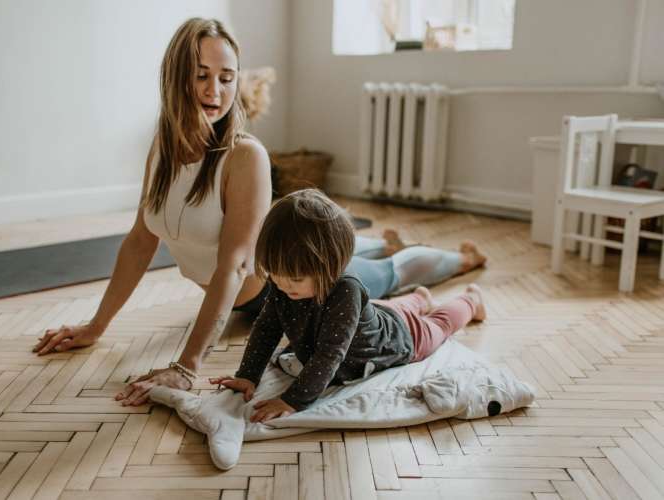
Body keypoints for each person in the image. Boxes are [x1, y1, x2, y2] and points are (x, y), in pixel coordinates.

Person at [32, 18, 486, 406]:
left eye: (227, 77)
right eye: (201, 75)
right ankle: (379, 247)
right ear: (175, 77)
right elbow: (138, 243)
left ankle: (461, 262)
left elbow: (233, 265)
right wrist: (96, 326)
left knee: (389, 273)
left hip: (300, 287)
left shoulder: (244, 156)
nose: (216, 90)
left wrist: (187, 366)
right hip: (268, 287)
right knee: (370, 261)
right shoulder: (162, 150)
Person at [209, 189, 486, 422]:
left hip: (400, 337)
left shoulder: (346, 290)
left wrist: (292, 400)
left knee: (438, 324)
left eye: (294, 278)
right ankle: (420, 298)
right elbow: (266, 328)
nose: (283, 285)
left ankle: (471, 300)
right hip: (377, 313)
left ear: (330, 266)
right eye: (275, 276)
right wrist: (248, 375)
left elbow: (330, 354)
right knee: (389, 309)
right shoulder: (284, 284)